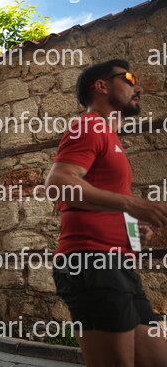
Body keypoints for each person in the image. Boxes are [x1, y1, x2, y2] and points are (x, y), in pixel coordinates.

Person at [45, 59, 167, 367]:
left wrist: (133, 230)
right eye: (129, 79)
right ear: (101, 86)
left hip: (118, 265)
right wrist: (131, 204)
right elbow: (59, 184)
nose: (138, 87)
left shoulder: (110, 137)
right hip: (92, 262)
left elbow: (103, 199)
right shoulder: (90, 126)